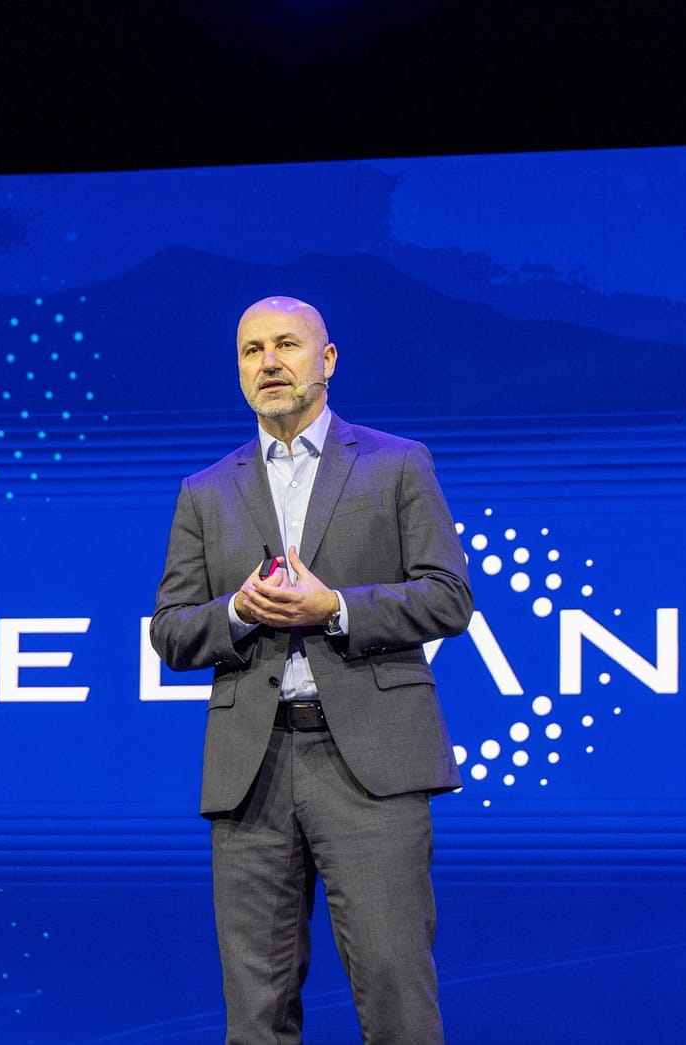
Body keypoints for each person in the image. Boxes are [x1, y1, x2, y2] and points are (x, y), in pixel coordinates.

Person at [149, 296, 472, 1044]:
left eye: (287, 344)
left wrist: (337, 606)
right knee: (255, 1012)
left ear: (326, 360)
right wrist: (238, 610)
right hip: (251, 770)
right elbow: (171, 630)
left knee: (394, 990)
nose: (269, 362)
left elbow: (448, 596)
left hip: (371, 764)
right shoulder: (205, 490)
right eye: (251, 350)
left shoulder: (396, 463)